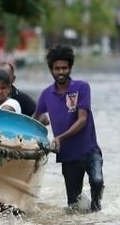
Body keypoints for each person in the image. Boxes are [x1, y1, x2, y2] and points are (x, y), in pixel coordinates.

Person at [33, 44, 104, 212]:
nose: (61, 72)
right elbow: (35, 119)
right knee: (73, 206)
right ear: (51, 70)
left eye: (64, 68)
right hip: (68, 157)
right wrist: (40, 123)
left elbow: (82, 120)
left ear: (70, 68)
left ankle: (96, 209)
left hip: (89, 150)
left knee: (97, 180)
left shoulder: (82, 88)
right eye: (57, 68)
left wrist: (59, 138)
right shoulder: (46, 94)